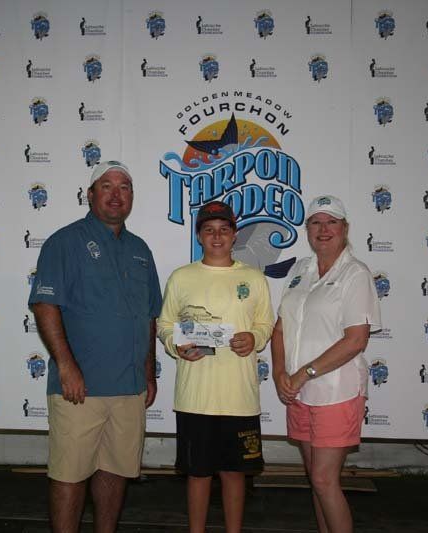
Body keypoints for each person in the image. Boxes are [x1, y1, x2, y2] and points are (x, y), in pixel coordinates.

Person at [29, 161, 162, 533]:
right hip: (80, 389)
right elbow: (45, 305)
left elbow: (149, 316)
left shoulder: (140, 250)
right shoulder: (64, 242)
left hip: (129, 387)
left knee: (115, 471)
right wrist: (67, 366)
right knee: (70, 475)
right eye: (106, 185)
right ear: (90, 195)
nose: (116, 194)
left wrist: (148, 373)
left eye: (125, 187)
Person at [157, 201, 274, 533]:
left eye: (224, 229)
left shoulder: (253, 278)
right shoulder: (182, 277)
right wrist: (175, 345)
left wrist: (253, 337)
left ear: (235, 235)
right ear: (199, 236)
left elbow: (266, 324)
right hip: (195, 396)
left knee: (235, 473)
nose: (217, 236)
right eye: (209, 230)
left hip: (239, 396)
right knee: (198, 473)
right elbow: (165, 325)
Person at [271, 195, 381, 533]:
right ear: (307, 230)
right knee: (315, 481)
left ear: (345, 229)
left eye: (331, 222)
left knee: (323, 479)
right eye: (316, 222)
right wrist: (279, 373)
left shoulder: (355, 274)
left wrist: (304, 373)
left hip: (336, 392)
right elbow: (280, 329)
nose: (323, 229)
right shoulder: (300, 269)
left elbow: (355, 340)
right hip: (299, 394)